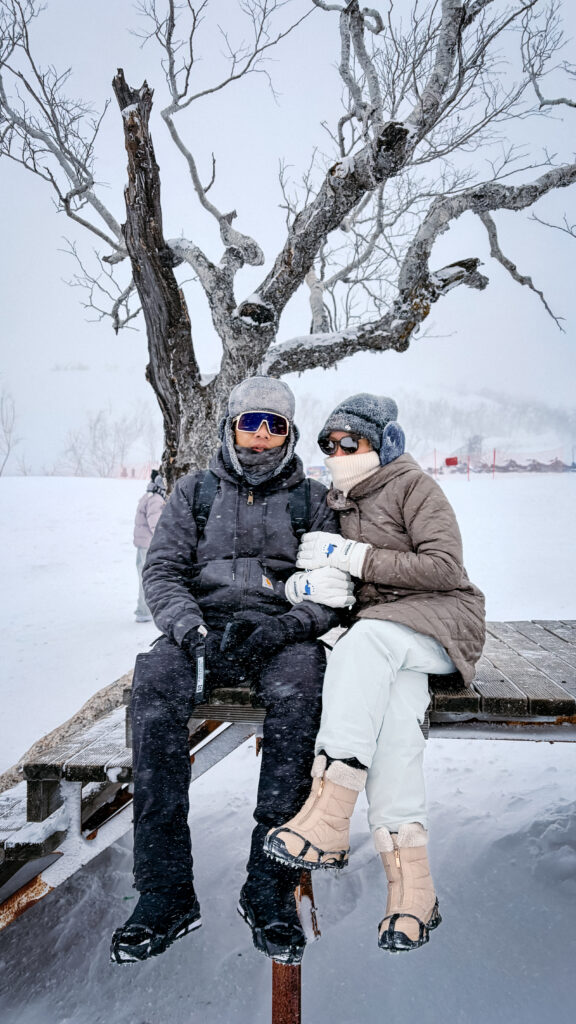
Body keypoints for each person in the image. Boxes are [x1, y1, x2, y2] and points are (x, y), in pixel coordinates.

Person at [110, 377, 353, 966]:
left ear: (290, 434)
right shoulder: (194, 491)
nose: (261, 435)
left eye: (275, 425)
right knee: (153, 689)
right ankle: (165, 891)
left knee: (303, 692)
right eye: (251, 423)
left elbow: (333, 587)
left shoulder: (313, 500)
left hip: (278, 632)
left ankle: (268, 884)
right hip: (201, 629)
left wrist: (286, 627)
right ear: (230, 428)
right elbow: (162, 571)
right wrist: (188, 626)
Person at [264, 393, 486, 953]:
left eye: (351, 442)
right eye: (330, 444)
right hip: (387, 640)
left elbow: (445, 568)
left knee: (364, 643)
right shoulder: (336, 501)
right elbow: (313, 568)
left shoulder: (415, 487)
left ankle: (329, 816)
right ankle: (414, 892)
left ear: (384, 443)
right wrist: (303, 584)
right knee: (395, 732)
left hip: (441, 625)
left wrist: (354, 557)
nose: (339, 453)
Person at [133, 470, 167, 622]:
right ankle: (144, 611)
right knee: (149, 579)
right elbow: (156, 525)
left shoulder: (148, 496)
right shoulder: (156, 500)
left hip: (143, 545)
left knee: (144, 577)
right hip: (148, 546)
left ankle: (144, 610)